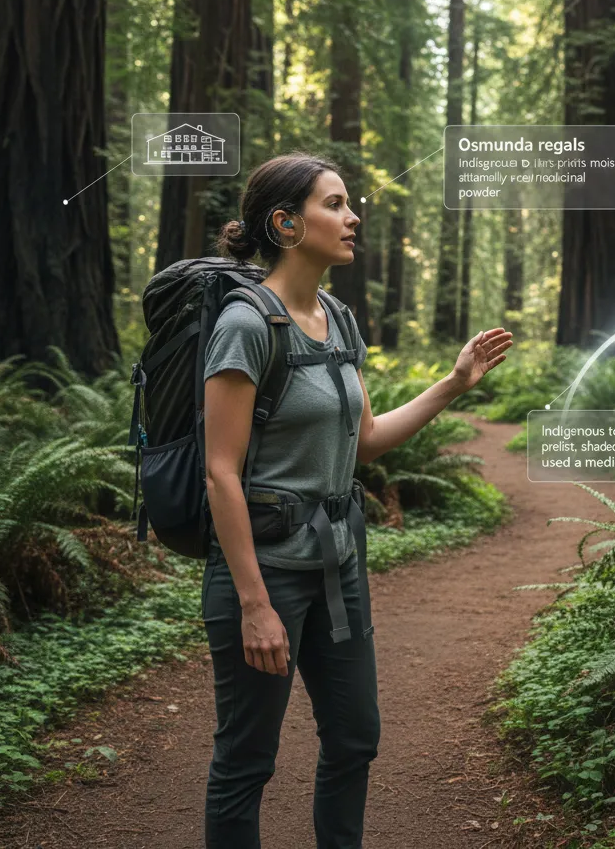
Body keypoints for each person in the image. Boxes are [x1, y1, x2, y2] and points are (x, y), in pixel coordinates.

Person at [201, 153, 512, 848]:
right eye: (335, 204)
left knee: (354, 738)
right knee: (246, 761)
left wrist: (454, 383)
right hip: (265, 571)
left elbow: (366, 441)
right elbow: (220, 472)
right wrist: (254, 605)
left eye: (348, 203)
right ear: (286, 224)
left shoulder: (338, 319)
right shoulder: (246, 326)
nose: (353, 217)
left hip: (338, 562)